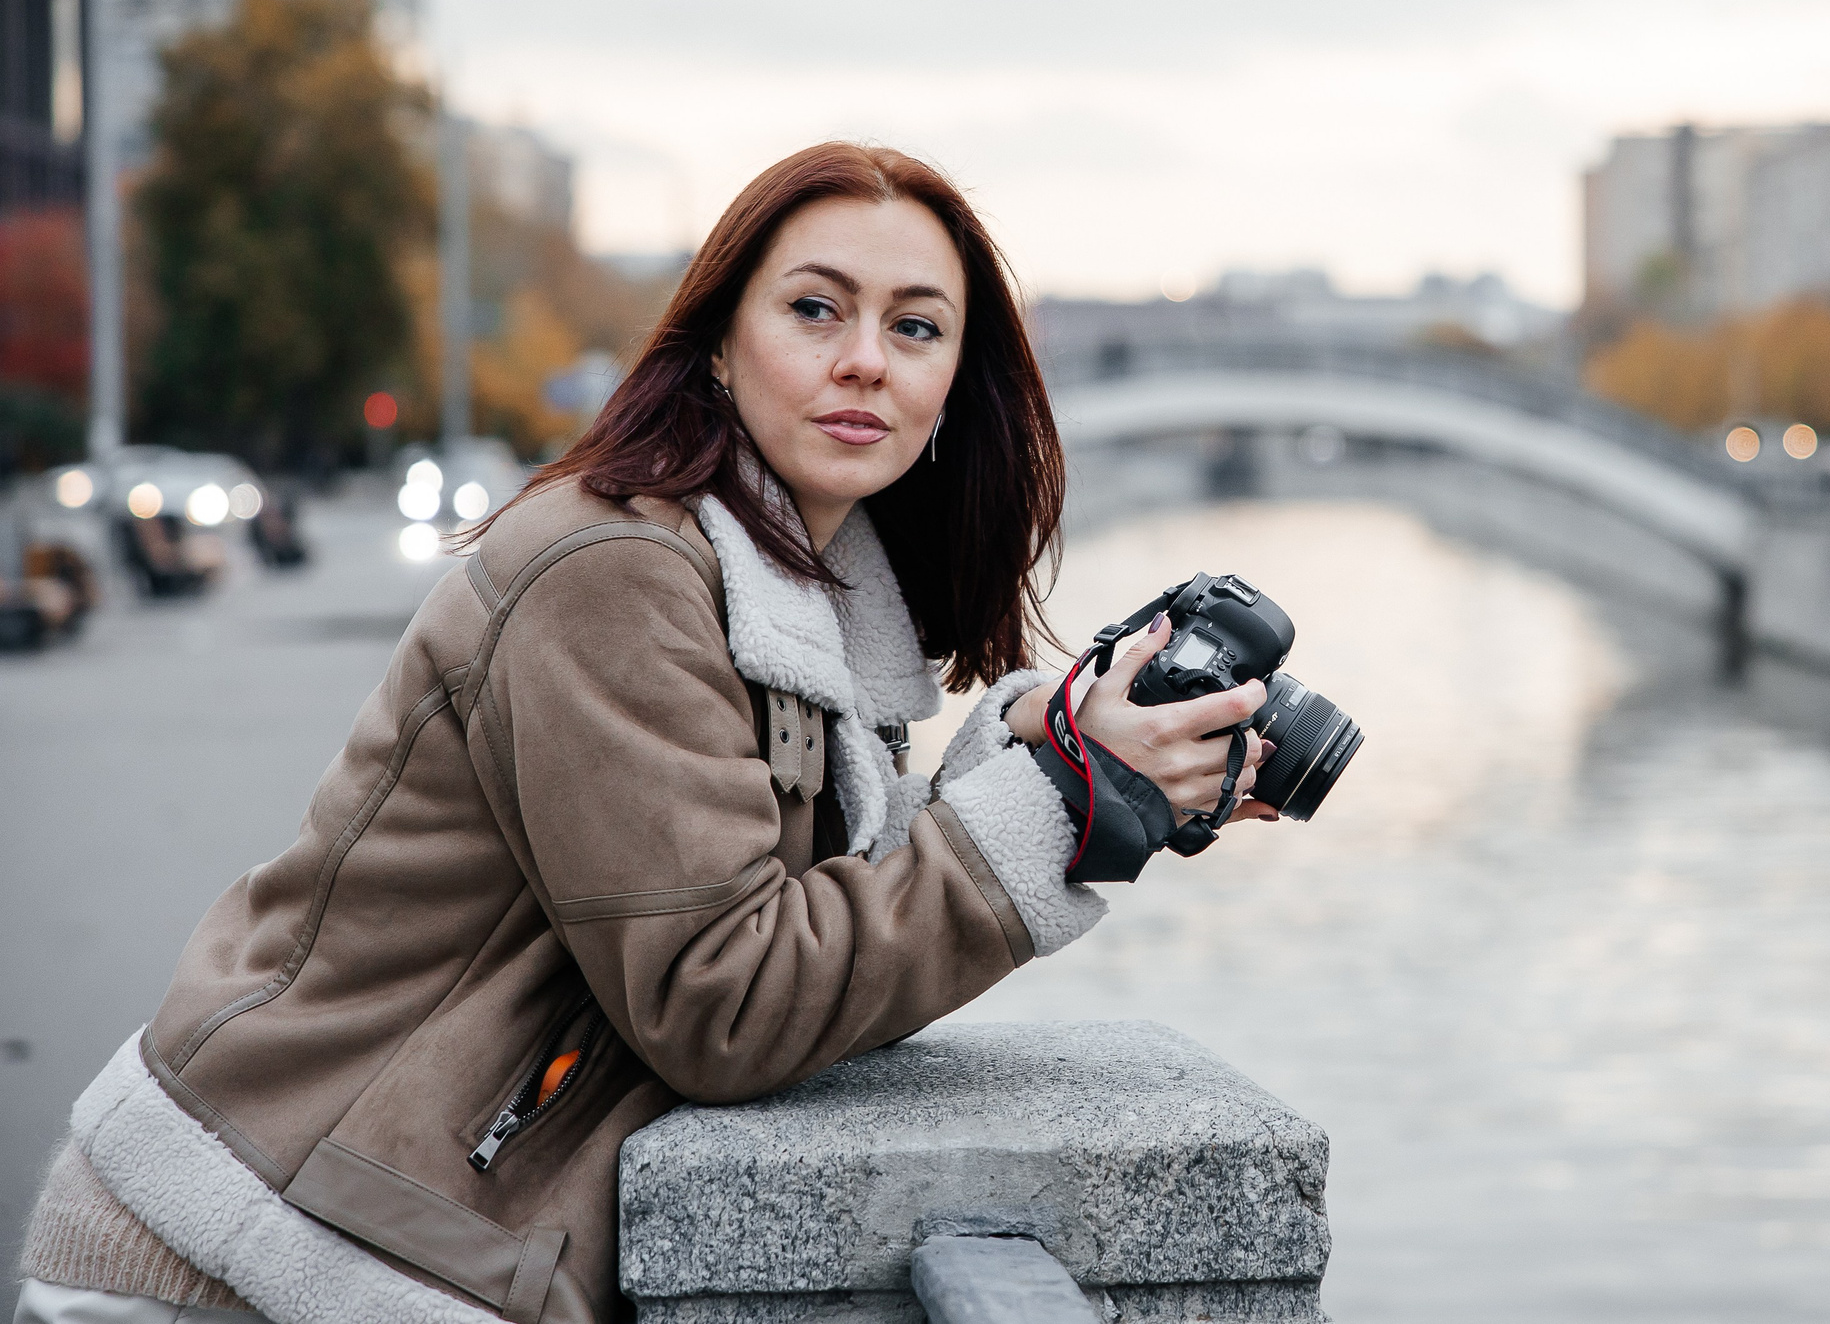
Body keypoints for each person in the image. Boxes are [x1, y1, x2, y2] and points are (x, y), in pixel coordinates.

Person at [15, 143, 1274, 1324]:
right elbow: (726, 999)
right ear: (718, 342)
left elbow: (815, 946)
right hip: (236, 1257)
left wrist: (1054, 760)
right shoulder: (614, 568)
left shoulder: (794, 603)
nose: (865, 361)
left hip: (366, 1242)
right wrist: (1058, 809)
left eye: (915, 327)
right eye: (815, 310)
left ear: (953, 382)